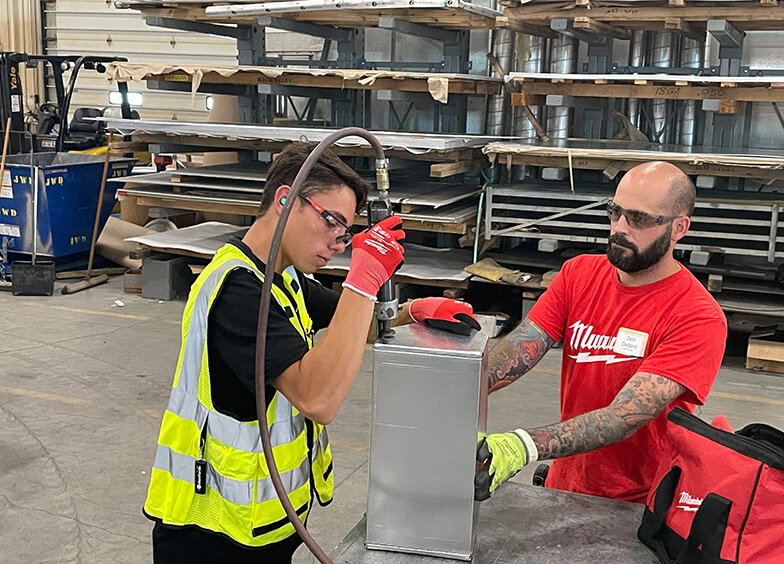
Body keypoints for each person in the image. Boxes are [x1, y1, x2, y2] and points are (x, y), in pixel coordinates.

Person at [144, 142, 480, 564]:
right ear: (285, 200)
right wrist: (363, 277)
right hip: (211, 532)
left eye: (346, 232)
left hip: (263, 522)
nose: (339, 243)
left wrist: (412, 311)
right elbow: (318, 398)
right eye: (332, 222)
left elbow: (349, 323)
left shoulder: (284, 279)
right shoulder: (236, 291)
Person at [474, 161, 727, 504]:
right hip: (564, 486)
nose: (620, 228)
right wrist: (462, 384)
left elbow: (625, 416)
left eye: (638, 218)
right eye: (615, 212)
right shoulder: (578, 275)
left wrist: (524, 445)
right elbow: (520, 349)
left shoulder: (696, 316)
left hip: (637, 506)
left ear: (678, 228)